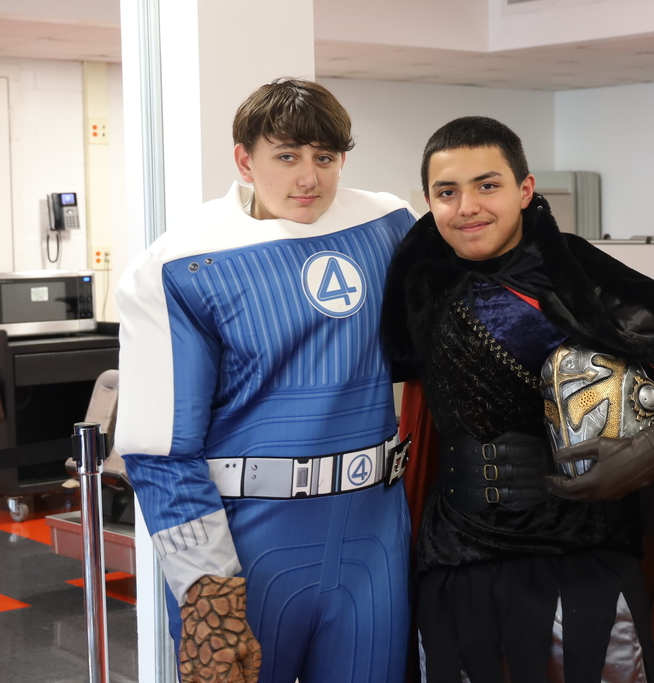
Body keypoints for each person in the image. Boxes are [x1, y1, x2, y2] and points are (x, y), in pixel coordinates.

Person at [381, 116, 654, 683]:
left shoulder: (575, 273)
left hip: (581, 549)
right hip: (456, 551)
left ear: (525, 189)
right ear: (429, 201)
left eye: (487, 185)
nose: (467, 207)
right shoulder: (417, 278)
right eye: (448, 192)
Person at [115, 79, 417, 683]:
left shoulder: (390, 225)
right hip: (251, 541)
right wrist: (206, 589)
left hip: (376, 534)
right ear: (244, 159)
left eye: (324, 158)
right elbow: (160, 448)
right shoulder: (179, 264)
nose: (308, 178)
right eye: (287, 156)